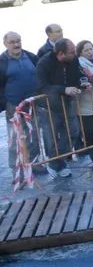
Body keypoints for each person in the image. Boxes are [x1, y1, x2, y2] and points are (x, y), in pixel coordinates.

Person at [34, 39, 83, 178]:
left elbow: (77, 76)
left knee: (73, 131)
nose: (75, 54)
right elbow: (42, 86)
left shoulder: (73, 59)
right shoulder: (44, 63)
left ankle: (56, 162)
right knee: (52, 138)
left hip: (67, 102)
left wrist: (83, 84)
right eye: (72, 52)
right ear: (61, 54)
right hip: (48, 106)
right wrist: (64, 89)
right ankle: (57, 164)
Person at [1, 32, 40, 169]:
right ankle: (16, 169)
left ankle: (35, 164)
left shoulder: (30, 56)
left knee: (34, 136)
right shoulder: (2, 62)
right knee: (15, 138)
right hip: (13, 106)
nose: (16, 44)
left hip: (32, 104)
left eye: (18, 41)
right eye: (12, 42)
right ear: (5, 44)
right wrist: (5, 103)